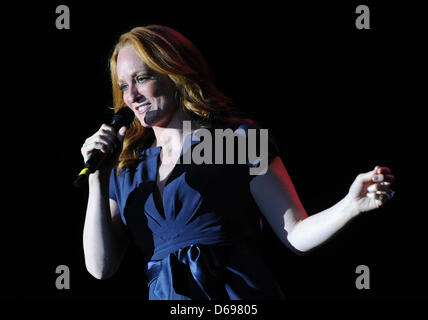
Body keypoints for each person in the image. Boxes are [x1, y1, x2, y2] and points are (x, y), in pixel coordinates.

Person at [80, 25, 395, 300]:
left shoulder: (237, 139)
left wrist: (349, 206)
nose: (131, 95)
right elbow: (99, 268)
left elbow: (296, 232)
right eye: (123, 85)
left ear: (173, 73)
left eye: (142, 78)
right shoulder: (129, 169)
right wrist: (98, 178)